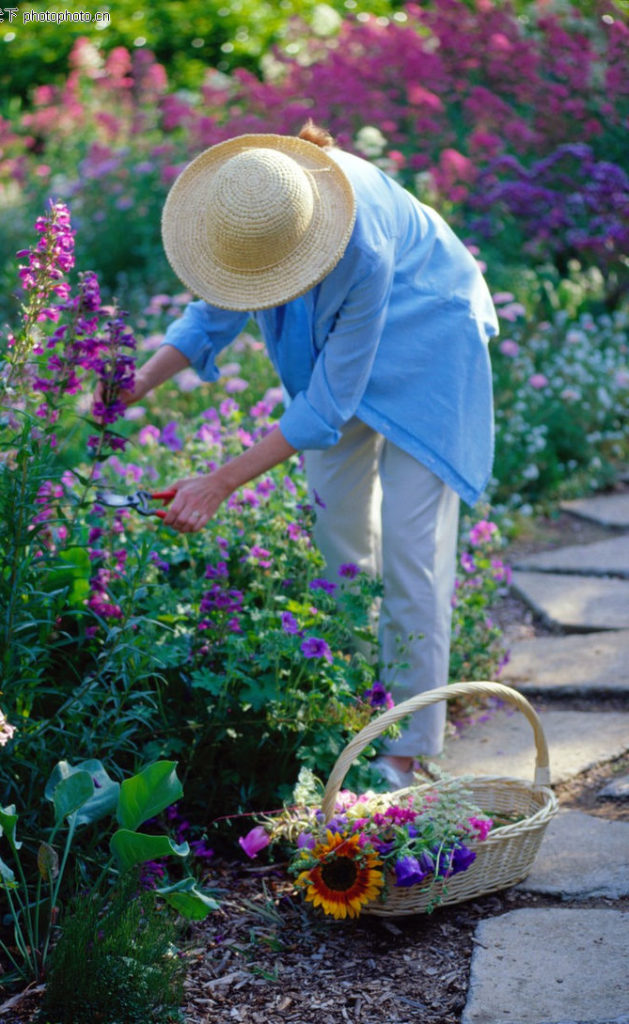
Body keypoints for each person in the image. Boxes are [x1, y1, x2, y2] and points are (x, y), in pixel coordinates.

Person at [111, 121, 498, 787]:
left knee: (411, 552)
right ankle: (346, 707)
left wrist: (219, 482)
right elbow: (210, 318)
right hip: (343, 356)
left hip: (431, 341)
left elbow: (324, 407)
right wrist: (130, 386)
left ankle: (403, 749)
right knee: (336, 537)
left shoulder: (359, 248)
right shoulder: (253, 211)